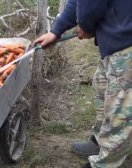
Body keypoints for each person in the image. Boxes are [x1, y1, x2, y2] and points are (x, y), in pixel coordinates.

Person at [33, 0, 132, 168]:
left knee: (121, 111)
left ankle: (106, 163)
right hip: (115, 35)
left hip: (126, 40)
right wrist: (56, 31)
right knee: (102, 86)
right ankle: (101, 141)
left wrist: (86, 25)